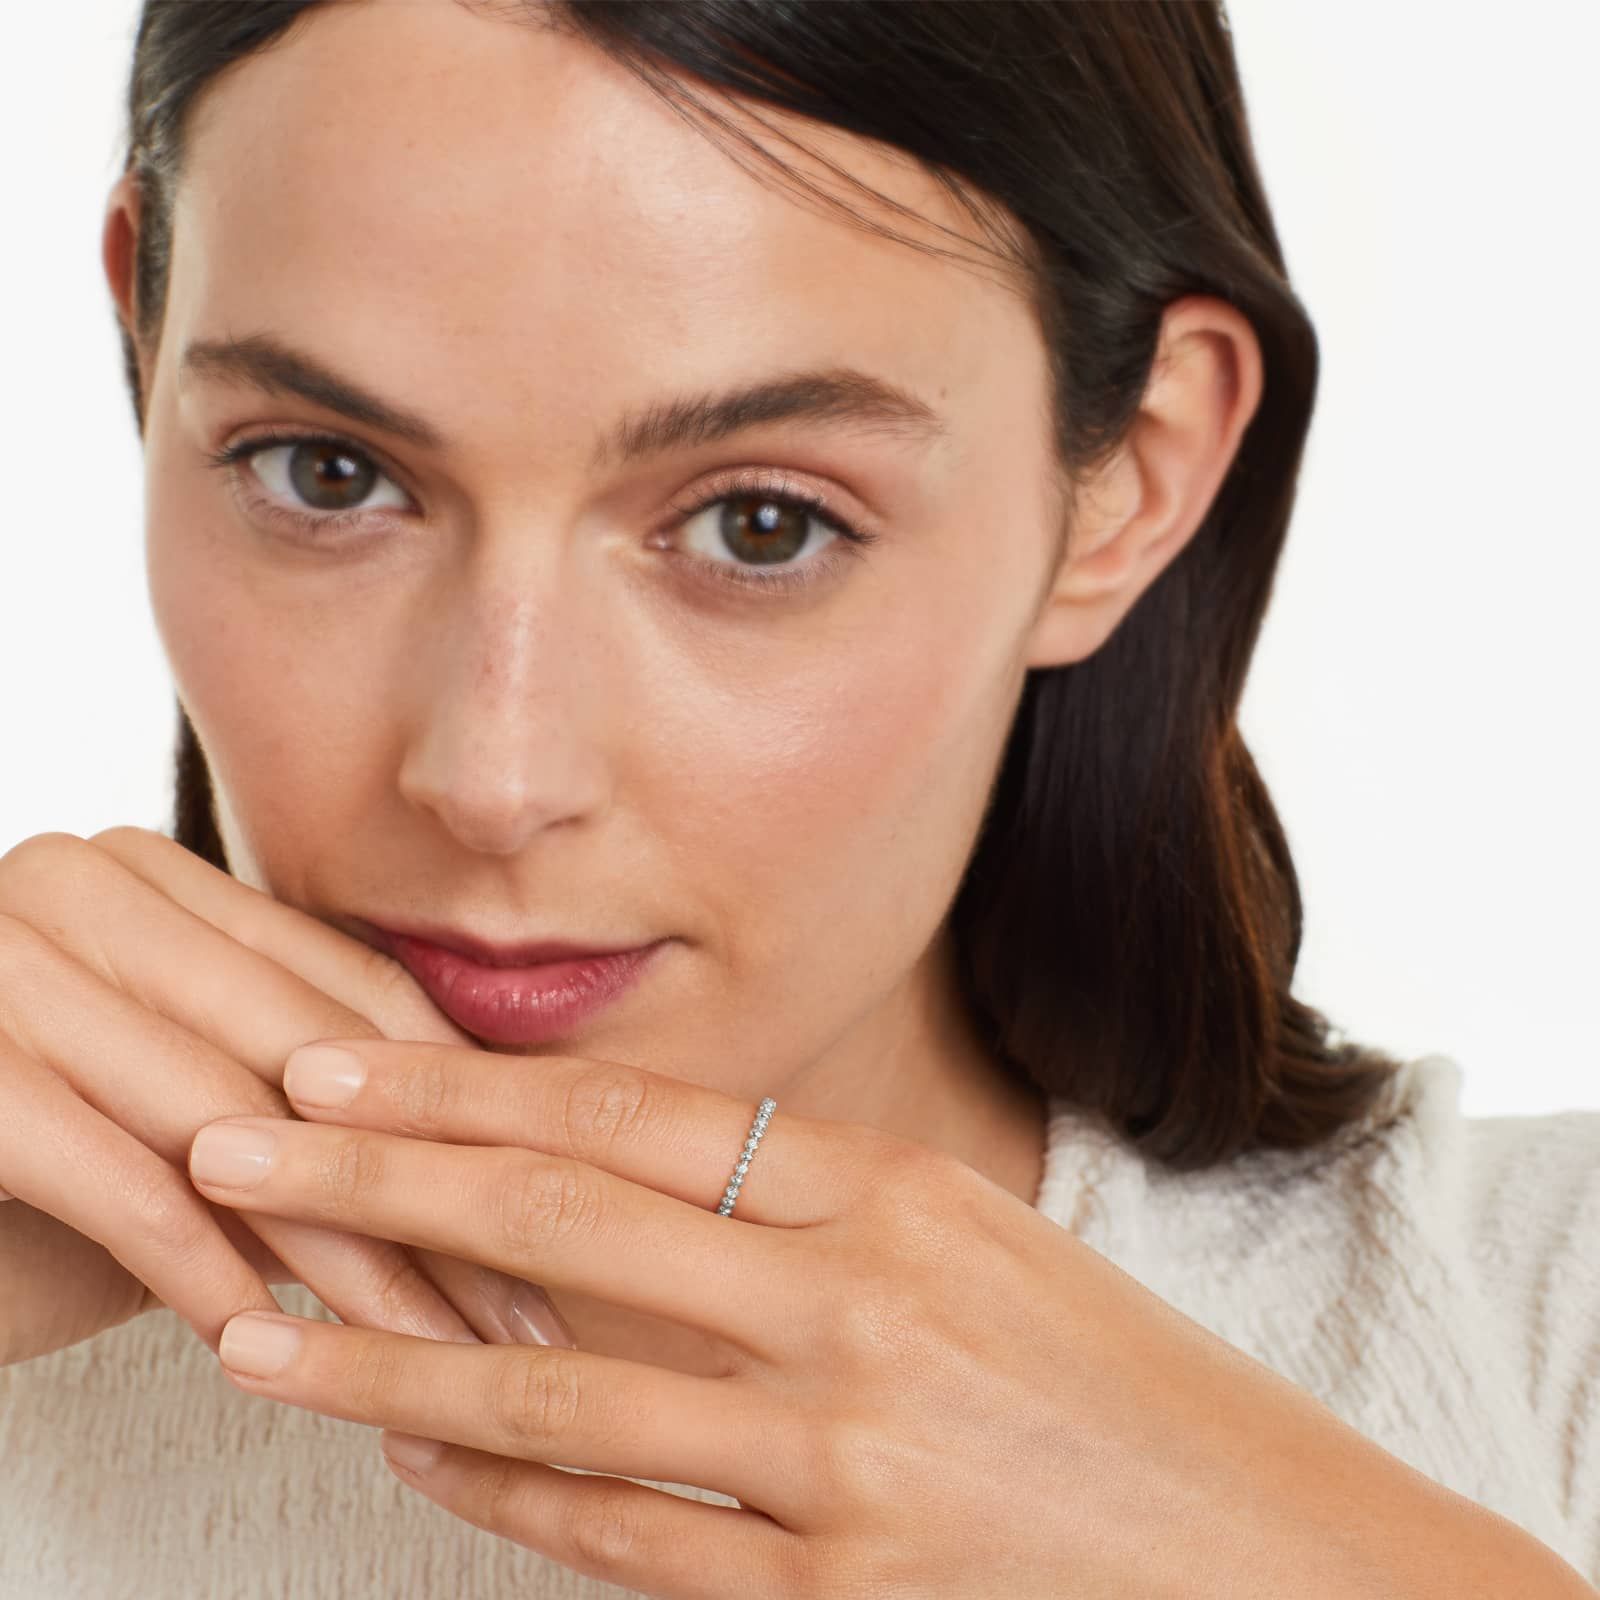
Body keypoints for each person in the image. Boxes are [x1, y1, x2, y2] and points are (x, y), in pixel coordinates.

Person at [1, 1, 1595, 1596]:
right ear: (145, 342)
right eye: (326, 472)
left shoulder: (1552, 1336)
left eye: (760, 525)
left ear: (1135, 477)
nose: (495, 779)